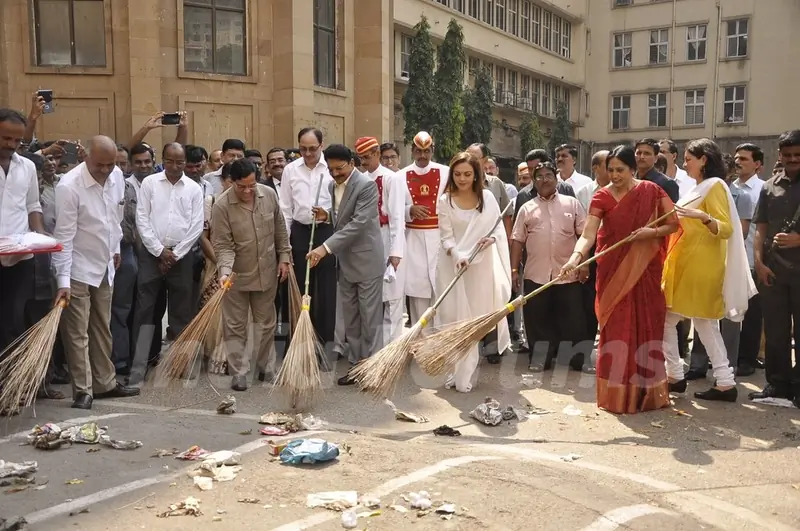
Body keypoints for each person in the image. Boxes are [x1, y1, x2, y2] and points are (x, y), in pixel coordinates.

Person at [561, 145, 679, 414]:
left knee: (646, 327)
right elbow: (589, 234)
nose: (614, 175)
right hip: (612, 269)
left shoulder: (651, 191)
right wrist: (575, 258)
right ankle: (617, 397)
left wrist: (649, 233)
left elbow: (672, 224)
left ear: (633, 169)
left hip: (645, 270)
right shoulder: (601, 197)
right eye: (610, 169)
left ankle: (646, 395)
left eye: (620, 170)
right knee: (615, 329)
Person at [661, 138, 755, 402]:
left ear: (703, 160)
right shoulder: (697, 188)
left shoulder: (714, 187)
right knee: (699, 324)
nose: (685, 163)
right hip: (687, 265)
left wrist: (703, 218)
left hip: (701, 267)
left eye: (689, 158)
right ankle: (718, 380)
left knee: (679, 322)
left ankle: (681, 376)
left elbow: (726, 228)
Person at [52, 136, 140, 410]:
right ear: (85, 157)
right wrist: (63, 281)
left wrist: (114, 249)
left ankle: (105, 383)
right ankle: (83, 390)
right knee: (77, 331)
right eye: (100, 164)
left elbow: (114, 218)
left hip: (104, 264)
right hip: (76, 265)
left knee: (103, 325)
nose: (106, 170)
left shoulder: (115, 176)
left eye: (111, 164)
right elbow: (63, 237)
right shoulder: (69, 186)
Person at [307, 144, 385, 386]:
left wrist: (325, 248)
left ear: (352, 163)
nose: (335, 174)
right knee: (351, 319)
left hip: (367, 260)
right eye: (330, 169)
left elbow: (359, 223)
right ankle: (355, 366)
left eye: (339, 168)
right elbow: (343, 216)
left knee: (369, 318)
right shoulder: (332, 185)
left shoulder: (366, 186)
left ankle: (372, 369)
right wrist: (327, 215)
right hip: (346, 262)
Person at [213, 158, 291, 391]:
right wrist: (225, 272)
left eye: (251, 185)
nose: (247, 191)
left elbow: (280, 229)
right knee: (235, 325)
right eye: (241, 186)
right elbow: (223, 245)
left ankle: (266, 366)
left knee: (267, 323)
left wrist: (284, 258)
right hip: (236, 276)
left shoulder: (268, 195)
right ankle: (239, 371)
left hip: (266, 271)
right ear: (231, 182)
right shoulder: (222, 206)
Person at [130, 143, 204, 383]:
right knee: (145, 311)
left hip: (181, 257)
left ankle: (179, 365)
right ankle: (139, 367)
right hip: (152, 255)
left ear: (185, 162)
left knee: (181, 312)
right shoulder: (150, 184)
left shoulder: (193, 188)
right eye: (170, 161)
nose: (175, 166)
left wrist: (176, 254)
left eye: (180, 162)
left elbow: (196, 225)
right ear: (163, 160)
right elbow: (142, 218)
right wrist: (159, 251)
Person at [436, 152, 510, 392]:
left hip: (481, 268)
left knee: (473, 320)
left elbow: (497, 231)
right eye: (457, 174)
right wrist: (458, 255)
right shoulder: (445, 200)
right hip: (453, 266)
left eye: (467, 174)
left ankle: (465, 374)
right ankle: (454, 372)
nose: (462, 179)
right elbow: (446, 237)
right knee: (453, 320)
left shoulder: (487, 198)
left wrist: (490, 241)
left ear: (476, 175)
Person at [511, 162, 587, 372]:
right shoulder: (527, 208)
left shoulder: (572, 204)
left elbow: (584, 235)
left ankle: (578, 359)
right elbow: (517, 240)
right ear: (534, 182)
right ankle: (540, 360)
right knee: (537, 319)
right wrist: (515, 270)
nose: (544, 180)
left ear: (556, 179)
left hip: (568, 273)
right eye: (539, 177)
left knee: (573, 318)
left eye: (548, 175)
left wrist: (584, 264)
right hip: (536, 273)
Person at [686, 153, 754, 380]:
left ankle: (725, 372)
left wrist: (706, 219)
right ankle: (699, 367)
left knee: (724, 318)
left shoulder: (731, 193)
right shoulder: (698, 189)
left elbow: (735, 230)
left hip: (720, 260)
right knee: (702, 318)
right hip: (698, 262)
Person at [751, 130, 800, 407]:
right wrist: (758, 263)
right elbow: (761, 229)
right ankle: (778, 386)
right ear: (779, 155)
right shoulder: (769, 187)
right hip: (773, 271)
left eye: (798, 155)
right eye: (788, 155)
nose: (793, 159)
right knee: (776, 331)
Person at [279, 128, 337, 349]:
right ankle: (296, 343)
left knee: (326, 291)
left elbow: (342, 206)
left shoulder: (331, 169)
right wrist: (286, 245)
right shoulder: (290, 170)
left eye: (313, 149)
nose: (308, 153)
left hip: (326, 231)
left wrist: (327, 214)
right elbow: (285, 209)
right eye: (303, 149)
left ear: (321, 146)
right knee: (299, 289)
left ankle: (324, 345)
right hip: (300, 232)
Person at [0, 109, 45, 362]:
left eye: (17, 141)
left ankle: (9, 385)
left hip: (20, 258)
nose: (12, 145)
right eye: (6, 138)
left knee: (13, 320)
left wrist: (41, 237)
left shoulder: (26, 166)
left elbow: (33, 206)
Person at [355, 136, 406, 345]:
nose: (364, 162)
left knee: (392, 296)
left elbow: (396, 217)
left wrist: (395, 251)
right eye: (360, 158)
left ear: (377, 154)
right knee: (373, 296)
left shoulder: (391, 178)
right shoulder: (359, 178)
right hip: (366, 241)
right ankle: (374, 346)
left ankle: (391, 347)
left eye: (367, 157)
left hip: (387, 237)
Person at [400, 132, 449, 324]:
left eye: (426, 151)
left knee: (442, 289)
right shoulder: (400, 176)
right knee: (418, 291)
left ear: (432, 151)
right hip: (413, 238)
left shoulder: (446, 172)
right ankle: (419, 342)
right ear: (412, 151)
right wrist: (409, 210)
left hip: (440, 237)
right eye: (419, 151)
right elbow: (391, 208)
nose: (423, 156)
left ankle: (440, 342)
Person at [733, 142, 765, 376]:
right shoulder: (727, 188)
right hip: (731, 259)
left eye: (744, 159)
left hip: (755, 259)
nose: (738, 162)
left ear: (757, 165)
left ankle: (747, 359)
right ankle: (730, 356)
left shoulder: (764, 189)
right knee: (730, 311)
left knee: (753, 314)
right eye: (737, 158)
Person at [199, 163, 233, 376]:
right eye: (231, 181)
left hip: (238, 264)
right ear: (224, 181)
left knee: (236, 313)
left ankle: (234, 358)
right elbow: (203, 237)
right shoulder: (210, 203)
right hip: (214, 264)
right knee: (215, 313)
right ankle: (215, 356)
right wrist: (220, 262)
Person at [634, 138, 679, 203]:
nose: (642, 157)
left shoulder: (666, 183)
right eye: (638, 153)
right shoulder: (629, 180)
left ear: (656, 158)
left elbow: (671, 211)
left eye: (647, 153)